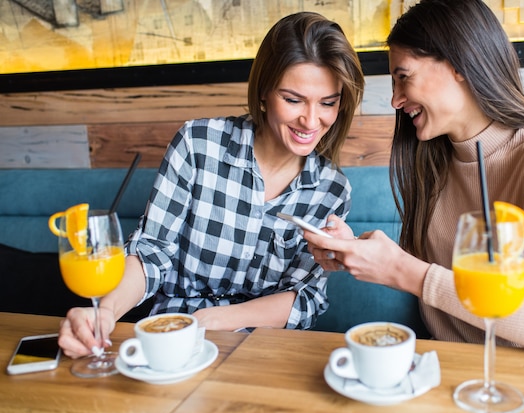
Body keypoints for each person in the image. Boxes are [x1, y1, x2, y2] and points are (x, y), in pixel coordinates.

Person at [305, 0, 524, 360]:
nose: (396, 100)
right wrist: (354, 248)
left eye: (404, 77)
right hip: (452, 377)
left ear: (458, 63)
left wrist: (403, 270)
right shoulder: (432, 160)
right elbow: (426, 272)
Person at [59, 11, 364, 359]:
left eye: (328, 103)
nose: (311, 120)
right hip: (172, 337)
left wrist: (218, 319)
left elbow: (304, 294)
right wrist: (105, 312)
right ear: (264, 92)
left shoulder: (332, 190)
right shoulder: (197, 144)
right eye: (293, 100)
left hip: (265, 350)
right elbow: (151, 252)